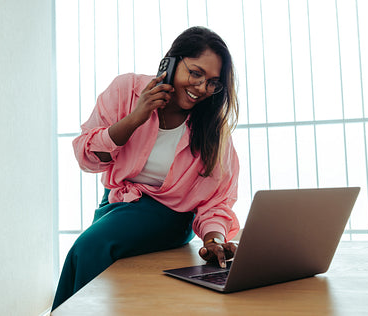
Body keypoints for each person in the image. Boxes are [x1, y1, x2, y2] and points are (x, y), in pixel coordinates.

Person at [52, 26, 240, 311]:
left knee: (88, 248)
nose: (202, 88)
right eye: (196, 73)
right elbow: (86, 157)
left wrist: (214, 239)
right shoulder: (126, 90)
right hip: (116, 203)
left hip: (170, 215)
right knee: (94, 261)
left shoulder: (213, 131)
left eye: (213, 82)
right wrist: (137, 116)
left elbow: (215, 202)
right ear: (172, 62)